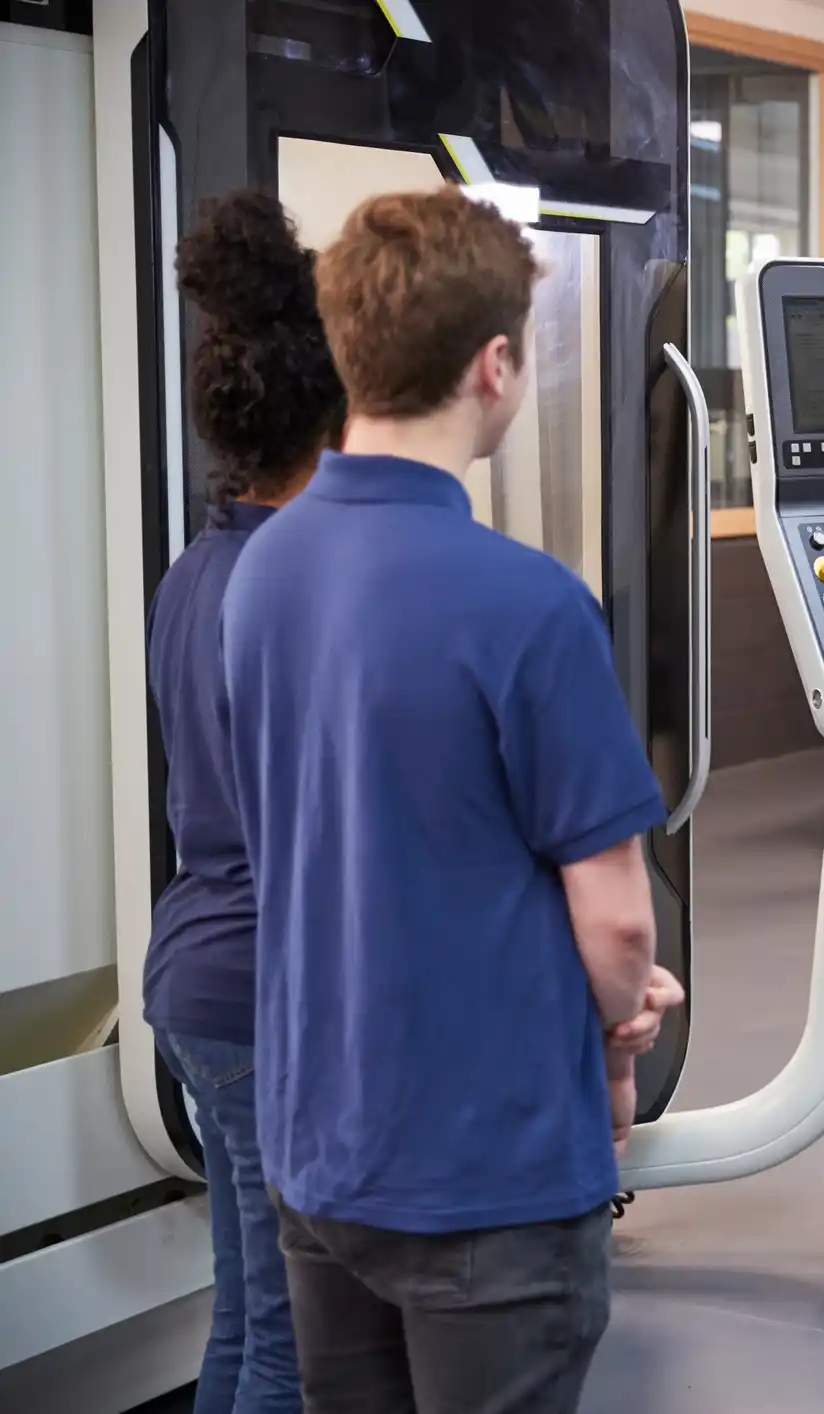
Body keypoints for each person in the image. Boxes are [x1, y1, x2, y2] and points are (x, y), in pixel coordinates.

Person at [221, 187, 683, 1414]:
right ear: (495, 363)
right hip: (489, 1178)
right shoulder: (530, 607)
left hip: (319, 1155)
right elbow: (620, 925)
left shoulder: (259, 570)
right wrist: (625, 1027)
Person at [140, 188, 345, 1414]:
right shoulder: (294, 583)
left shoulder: (198, 567)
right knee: (289, 1343)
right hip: (266, 992)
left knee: (242, 1312)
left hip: (196, 982)